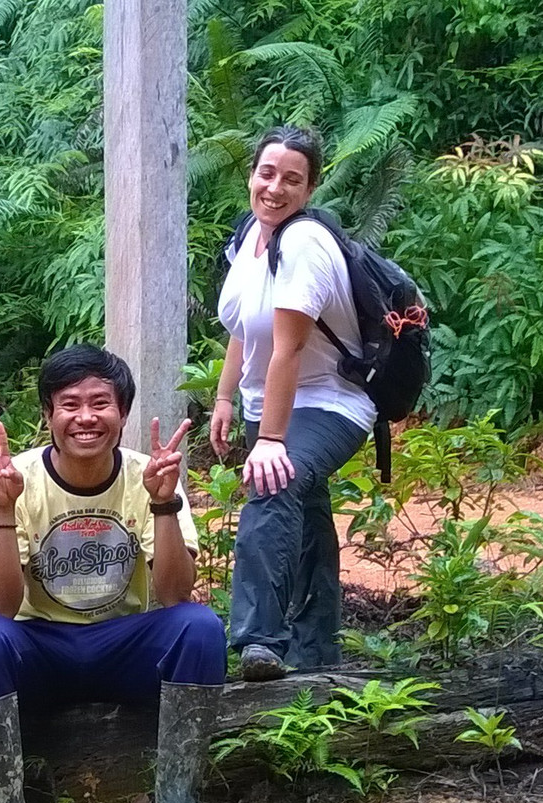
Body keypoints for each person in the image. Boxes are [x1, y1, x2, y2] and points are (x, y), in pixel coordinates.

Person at [0, 345, 227, 803]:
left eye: (100, 403)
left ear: (123, 412)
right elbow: (0, 604)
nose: (86, 417)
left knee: (199, 627)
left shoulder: (151, 474)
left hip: (125, 646)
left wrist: (163, 502)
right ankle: (5, 800)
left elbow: (175, 594)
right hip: (40, 646)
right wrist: (2, 506)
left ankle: (178, 797)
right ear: (47, 414)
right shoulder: (13, 477)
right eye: (70, 404)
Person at [210, 125, 375, 681]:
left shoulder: (303, 244)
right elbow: (245, 326)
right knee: (305, 518)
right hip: (271, 400)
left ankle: (259, 639)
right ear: (251, 175)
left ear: (309, 190)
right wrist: (225, 395)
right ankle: (316, 654)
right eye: (267, 173)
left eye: (292, 179)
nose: (275, 188)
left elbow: (289, 345)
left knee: (274, 481)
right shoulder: (248, 236)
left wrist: (272, 440)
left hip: (330, 401)